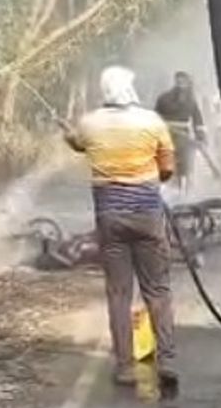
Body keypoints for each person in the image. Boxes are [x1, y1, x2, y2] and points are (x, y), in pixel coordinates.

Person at [63, 65, 179, 391]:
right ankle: (167, 360)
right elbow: (168, 169)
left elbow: (79, 144)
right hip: (148, 216)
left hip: (110, 219)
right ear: (130, 88)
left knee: (118, 294)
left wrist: (69, 136)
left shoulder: (89, 123)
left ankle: (125, 367)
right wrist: (149, 177)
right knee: (157, 290)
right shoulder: (152, 122)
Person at [154, 71, 207, 196]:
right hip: (167, 136)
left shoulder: (191, 102)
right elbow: (155, 116)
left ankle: (185, 193)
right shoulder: (164, 98)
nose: (181, 84)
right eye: (179, 81)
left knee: (186, 167)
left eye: (183, 81)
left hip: (184, 138)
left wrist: (201, 137)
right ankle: (167, 192)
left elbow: (198, 121)